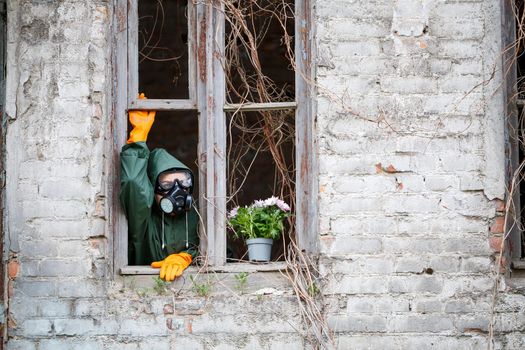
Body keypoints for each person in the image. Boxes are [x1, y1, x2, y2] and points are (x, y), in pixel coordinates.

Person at [119, 94, 199, 281]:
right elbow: (132, 183)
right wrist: (138, 138)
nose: (177, 190)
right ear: (153, 189)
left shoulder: (198, 217)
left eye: (183, 182)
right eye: (167, 184)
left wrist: (188, 256)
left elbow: (223, 252)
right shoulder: (144, 220)